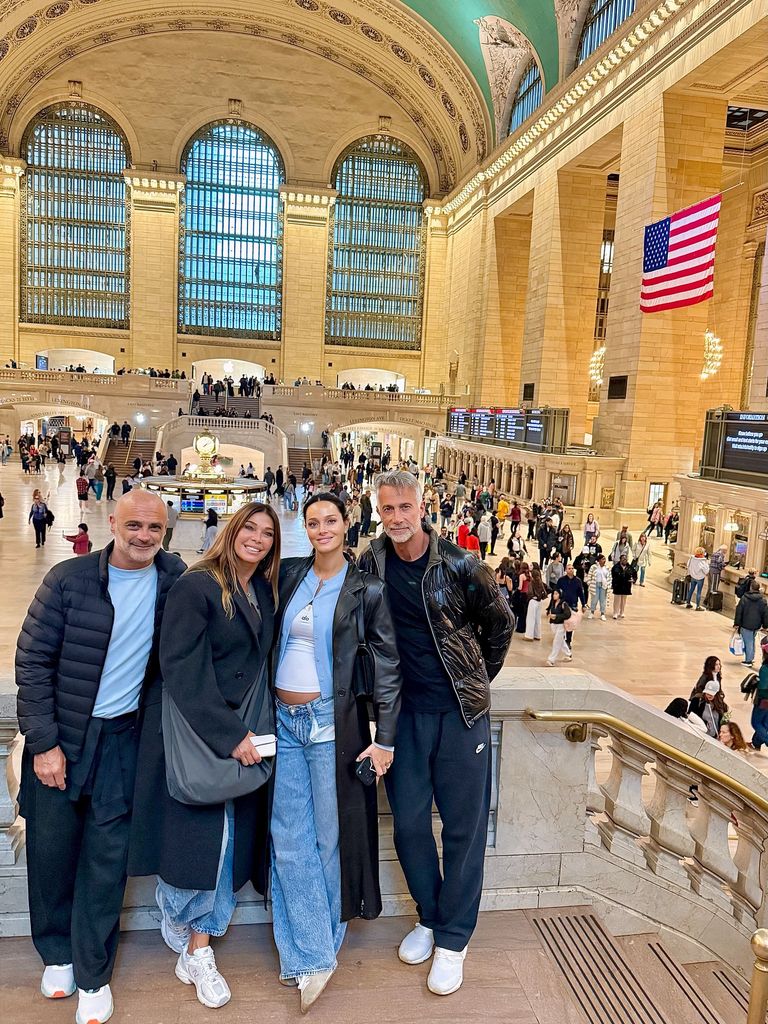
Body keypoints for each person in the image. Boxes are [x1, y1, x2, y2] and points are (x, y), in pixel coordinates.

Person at [15, 491, 183, 1024]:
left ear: (165, 532)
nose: (143, 537)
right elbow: (33, 661)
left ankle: (93, 972)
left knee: (107, 859)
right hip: (64, 738)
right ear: (112, 523)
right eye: (133, 525)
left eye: (154, 528)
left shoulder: (172, 581)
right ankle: (57, 953)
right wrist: (43, 744)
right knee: (51, 853)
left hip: (125, 741)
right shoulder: (69, 580)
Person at [357, 470, 513, 996]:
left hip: (459, 716)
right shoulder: (372, 561)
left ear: (422, 508)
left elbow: (501, 626)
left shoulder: (462, 564)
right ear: (378, 511)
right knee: (407, 826)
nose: (396, 518)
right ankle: (428, 913)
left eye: (405, 508)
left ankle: (453, 937)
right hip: (402, 719)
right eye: (388, 509)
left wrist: (473, 680)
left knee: (464, 829)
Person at [129, 503, 279, 1008]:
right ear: (231, 530)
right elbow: (180, 666)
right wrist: (230, 734)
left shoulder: (262, 590)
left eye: (267, 533)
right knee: (203, 838)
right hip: (199, 731)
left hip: (238, 728)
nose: (256, 538)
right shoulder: (197, 586)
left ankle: (196, 938)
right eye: (249, 528)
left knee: (225, 839)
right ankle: (195, 943)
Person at [271, 494, 402, 1010]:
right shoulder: (289, 575)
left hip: (331, 722)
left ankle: (313, 952)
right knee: (287, 836)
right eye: (312, 522)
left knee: (329, 838)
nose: (321, 529)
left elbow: (389, 667)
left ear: (347, 525)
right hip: (282, 723)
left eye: (330, 521)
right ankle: (312, 950)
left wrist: (384, 738)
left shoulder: (367, 589)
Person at [734, 581, 768, 667]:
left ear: (751, 588)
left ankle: (748, 660)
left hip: (746, 624)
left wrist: (737, 623)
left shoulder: (744, 598)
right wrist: (765, 625)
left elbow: (739, 611)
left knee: (748, 641)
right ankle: (751, 657)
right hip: (756, 624)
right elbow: (765, 614)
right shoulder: (763, 600)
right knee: (751, 640)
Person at [558, 563, 585, 651]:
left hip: (573, 604)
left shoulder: (578, 581)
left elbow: (581, 593)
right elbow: (557, 591)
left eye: (572, 568)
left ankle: (568, 641)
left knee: (570, 623)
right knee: (561, 623)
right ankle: (560, 639)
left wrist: (583, 604)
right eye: (569, 568)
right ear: (566, 570)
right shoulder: (561, 580)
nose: (571, 570)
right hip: (563, 604)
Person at [545, 588, 572, 666]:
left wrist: (556, 616)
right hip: (553, 624)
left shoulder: (564, 604)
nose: (554, 595)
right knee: (560, 641)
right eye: (554, 594)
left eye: (556, 594)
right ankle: (568, 653)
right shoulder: (553, 603)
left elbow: (567, 614)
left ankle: (551, 659)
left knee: (556, 642)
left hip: (561, 625)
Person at [749, 645, 768, 751]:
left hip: (764, 700)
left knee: (756, 722)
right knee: (765, 723)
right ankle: (756, 743)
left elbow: (763, 686)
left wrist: (756, 683)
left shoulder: (765, 668)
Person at [524, 565, 548, 642]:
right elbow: (546, 592)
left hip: (533, 601)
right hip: (539, 602)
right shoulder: (540, 582)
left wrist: (532, 597)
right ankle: (537, 635)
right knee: (538, 619)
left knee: (530, 618)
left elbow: (530, 593)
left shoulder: (531, 583)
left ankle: (529, 636)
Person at [611, 553, 636, 619]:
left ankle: (622, 612)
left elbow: (634, 574)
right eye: (623, 559)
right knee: (617, 600)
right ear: (620, 560)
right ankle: (615, 612)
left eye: (626, 559)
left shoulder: (630, 567)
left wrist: (633, 579)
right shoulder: (616, 567)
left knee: (623, 600)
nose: (625, 560)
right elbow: (613, 575)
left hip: (626, 586)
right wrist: (613, 584)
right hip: (618, 585)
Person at [586, 555, 611, 621]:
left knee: (603, 600)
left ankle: (602, 614)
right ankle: (592, 612)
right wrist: (589, 583)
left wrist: (609, 585)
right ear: (599, 560)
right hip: (595, 585)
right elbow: (589, 575)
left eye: (605, 559)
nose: (604, 560)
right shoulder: (593, 567)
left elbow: (609, 577)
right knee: (594, 599)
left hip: (603, 586)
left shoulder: (607, 568)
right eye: (603, 559)